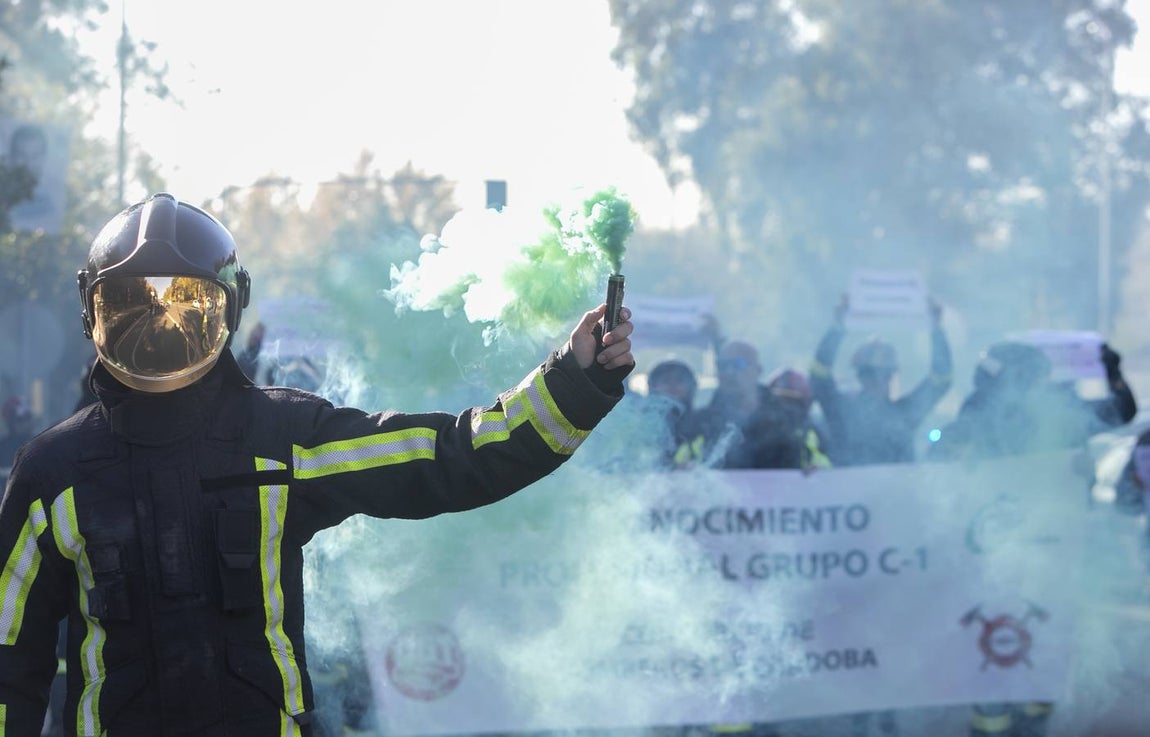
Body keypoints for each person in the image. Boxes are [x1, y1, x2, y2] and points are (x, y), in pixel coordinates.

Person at [0, 192, 635, 737]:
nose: (159, 328)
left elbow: (450, 457)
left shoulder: (281, 437)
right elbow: (7, 662)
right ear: (92, 313)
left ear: (230, 307)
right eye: (133, 307)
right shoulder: (51, 474)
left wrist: (572, 384)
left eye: (185, 305)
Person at [928, 339, 1136, 737]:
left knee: (1039, 645)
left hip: (1044, 554)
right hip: (990, 554)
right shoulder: (977, 412)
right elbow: (942, 457)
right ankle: (994, 721)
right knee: (991, 643)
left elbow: (1118, 414)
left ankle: (1032, 718)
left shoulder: (1054, 411)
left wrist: (1112, 373)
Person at [810, 295, 952, 466]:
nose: (879, 381)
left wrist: (936, 329)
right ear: (861, 377)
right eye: (872, 374)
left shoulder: (904, 413)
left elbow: (941, 380)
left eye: (885, 374)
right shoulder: (842, 411)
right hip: (851, 492)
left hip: (894, 493)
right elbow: (819, 376)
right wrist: (838, 328)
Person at [680, 340, 829, 471]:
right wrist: (682, 470)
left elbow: (825, 460)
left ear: (758, 371)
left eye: (739, 364)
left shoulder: (791, 418)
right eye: (722, 365)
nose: (729, 372)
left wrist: (818, 470)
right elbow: (678, 462)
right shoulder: (702, 422)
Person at [1, 395, 34, 473]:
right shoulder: (2, 448)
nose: (26, 424)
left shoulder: (39, 443)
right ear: (10, 422)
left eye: (28, 418)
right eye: (20, 420)